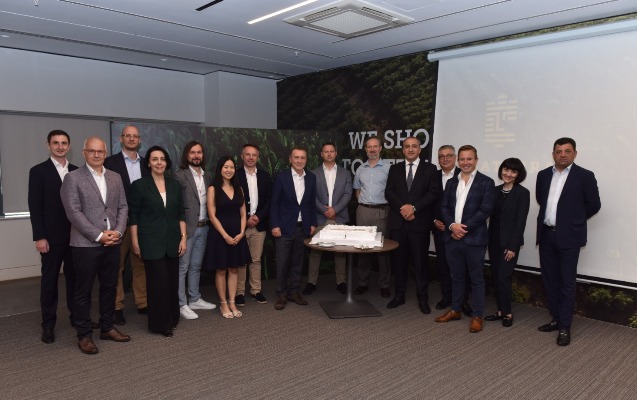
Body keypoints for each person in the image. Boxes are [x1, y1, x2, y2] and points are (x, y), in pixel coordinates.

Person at [61, 137, 131, 355]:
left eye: (100, 151)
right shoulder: (72, 178)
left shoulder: (115, 177)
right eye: (91, 151)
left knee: (109, 287)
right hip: (85, 245)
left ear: (105, 153)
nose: (96, 154)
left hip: (113, 242)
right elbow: (73, 212)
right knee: (83, 291)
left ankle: (107, 327)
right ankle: (84, 335)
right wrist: (99, 235)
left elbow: (123, 207)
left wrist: (118, 232)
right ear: (84, 153)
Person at [536, 137, 600, 346]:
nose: (562, 155)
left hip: (569, 237)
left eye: (567, 151)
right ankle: (556, 319)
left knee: (566, 282)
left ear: (575, 153)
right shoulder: (543, 175)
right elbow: (541, 199)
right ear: (553, 154)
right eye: (558, 151)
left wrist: (573, 220)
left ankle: (564, 326)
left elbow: (594, 204)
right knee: (550, 280)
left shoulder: (585, 176)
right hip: (546, 235)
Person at [28, 130, 82, 344]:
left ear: (69, 146)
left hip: (76, 236)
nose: (60, 146)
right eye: (56, 143)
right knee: (49, 282)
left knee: (75, 280)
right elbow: (35, 207)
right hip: (50, 238)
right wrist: (39, 237)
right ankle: (48, 324)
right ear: (48, 145)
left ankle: (77, 317)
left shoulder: (77, 171)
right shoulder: (38, 171)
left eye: (64, 143)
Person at [435, 145, 495, 333]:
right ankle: (455, 309)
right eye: (462, 159)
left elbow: (485, 210)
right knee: (456, 277)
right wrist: (452, 225)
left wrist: (462, 228)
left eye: (469, 159)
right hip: (452, 238)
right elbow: (444, 207)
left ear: (476, 160)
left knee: (476, 279)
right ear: (458, 161)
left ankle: (477, 315)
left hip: (474, 240)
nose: (465, 162)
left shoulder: (487, 182)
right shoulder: (451, 182)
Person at [129, 146, 186, 337]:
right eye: (154, 159)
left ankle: (173, 318)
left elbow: (180, 213)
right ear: (148, 163)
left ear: (167, 162)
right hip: (151, 242)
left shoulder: (174, 185)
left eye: (162, 159)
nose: (159, 163)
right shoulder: (139, 185)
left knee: (172, 282)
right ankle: (161, 324)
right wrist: (135, 241)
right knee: (158, 284)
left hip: (172, 241)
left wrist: (183, 238)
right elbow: (134, 216)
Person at [385, 137, 440, 313]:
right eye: (407, 146)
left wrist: (414, 208)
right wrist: (403, 208)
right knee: (399, 263)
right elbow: (389, 192)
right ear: (403, 150)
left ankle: (423, 298)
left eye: (414, 146)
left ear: (419, 150)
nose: (410, 149)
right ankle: (399, 296)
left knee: (420, 263)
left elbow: (433, 193)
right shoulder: (394, 169)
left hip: (419, 223)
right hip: (398, 223)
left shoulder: (430, 169)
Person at [103, 125, 149, 324]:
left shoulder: (147, 164)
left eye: (135, 136)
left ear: (139, 140)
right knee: (117, 267)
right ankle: (117, 306)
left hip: (142, 223)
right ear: (121, 139)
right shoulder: (109, 163)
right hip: (118, 224)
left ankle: (143, 302)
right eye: (127, 136)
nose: (131, 139)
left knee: (141, 265)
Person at [484, 158, 530, 327]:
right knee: (496, 276)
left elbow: (520, 222)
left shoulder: (522, 193)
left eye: (513, 171)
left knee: (504, 277)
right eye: (506, 169)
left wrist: (512, 247)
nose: (508, 174)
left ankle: (507, 313)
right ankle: (500, 310)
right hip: (493, 241)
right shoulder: (495, 191)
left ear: (518, 174)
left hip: (509, 244)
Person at [203, 156, 251, 319]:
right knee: (221, 269)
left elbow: (243, 213)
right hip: (219, 235)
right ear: (220, 169)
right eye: (225, 167)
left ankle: (232, 302)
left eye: (231, 167)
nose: (229, 170)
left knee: (234, 268)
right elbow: (212, 216)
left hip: (237, 234)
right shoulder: (213, 189)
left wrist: (242, 232)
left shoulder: (239, 189)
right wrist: (225, 236)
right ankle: (223, 303)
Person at [173, 141, 216, 320]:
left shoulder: (208, 176)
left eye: (199, 152)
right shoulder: (179, 175)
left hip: (204, 227)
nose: (196, 156)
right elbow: (176, 205)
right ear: (187, 155)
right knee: (182, 267)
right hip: (187, 228)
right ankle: (181, 303)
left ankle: (195, 298)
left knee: (196, 266)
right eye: (192, 152)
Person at [270, 147, 317, 310]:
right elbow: (274, 203)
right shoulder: (281, 178)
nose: (299, 160)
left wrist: (312, 223)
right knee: (282, 263)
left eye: (302, 158)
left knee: (298, 263)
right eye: (296, 157)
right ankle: (281, 295)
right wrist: (275, 225)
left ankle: (294, 292)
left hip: (302, 228)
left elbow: (311, 203)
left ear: (306, 160)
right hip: (283, 228)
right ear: (290, 159)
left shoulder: (311, 178)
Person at [304, 142, 352, 296]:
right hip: (320, 217)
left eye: (332, 151)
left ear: (336, 153)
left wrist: (335, 210)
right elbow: (311, 195)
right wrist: (324, 210)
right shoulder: (313, 173)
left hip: (339, 217)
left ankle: (341, 282)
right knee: (315, 252)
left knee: (340, 252)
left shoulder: (345, 173)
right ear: (321, 154)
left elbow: (348, 194)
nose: (329, 154)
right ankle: (311, 282)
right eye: (326, 151)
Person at [353, 136, 392, 298]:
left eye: (375, 146)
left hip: (382, 211)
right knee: (363, 248)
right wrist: (364, 204)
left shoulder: (389, 168)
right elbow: (357, 189)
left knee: (383, 249)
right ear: (365, 149)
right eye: (369, 147)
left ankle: (384, 284)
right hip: (363, 211)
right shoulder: (360, 169)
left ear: (380, 148)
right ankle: (362, 283)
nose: (372, 149)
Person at [234, 144, 271, 306]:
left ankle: (256, 290)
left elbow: (269, 200)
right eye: (247, 154)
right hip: (240, 225)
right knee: (241, 260)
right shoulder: (235, 175)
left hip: (259, 225)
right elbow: (231, 200)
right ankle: (239, 292)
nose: (250, 157)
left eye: (254, 155)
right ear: (242, 156)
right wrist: (246, 218)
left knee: (256, 260)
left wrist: (258, 217)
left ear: (258, 157)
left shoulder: (264, 176)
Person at [432, 145, 464, 311]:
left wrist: (455, 224)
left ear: (455, 158)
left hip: (458, 230)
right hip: (439, 228)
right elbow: (429, 201)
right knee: (443, 264)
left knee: (460, 267)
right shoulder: (433, 176)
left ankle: (463, 300)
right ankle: (447, 297)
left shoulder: (463, 175)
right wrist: (433, 220)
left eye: (449, 155)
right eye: (441, 156)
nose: (445, 159)